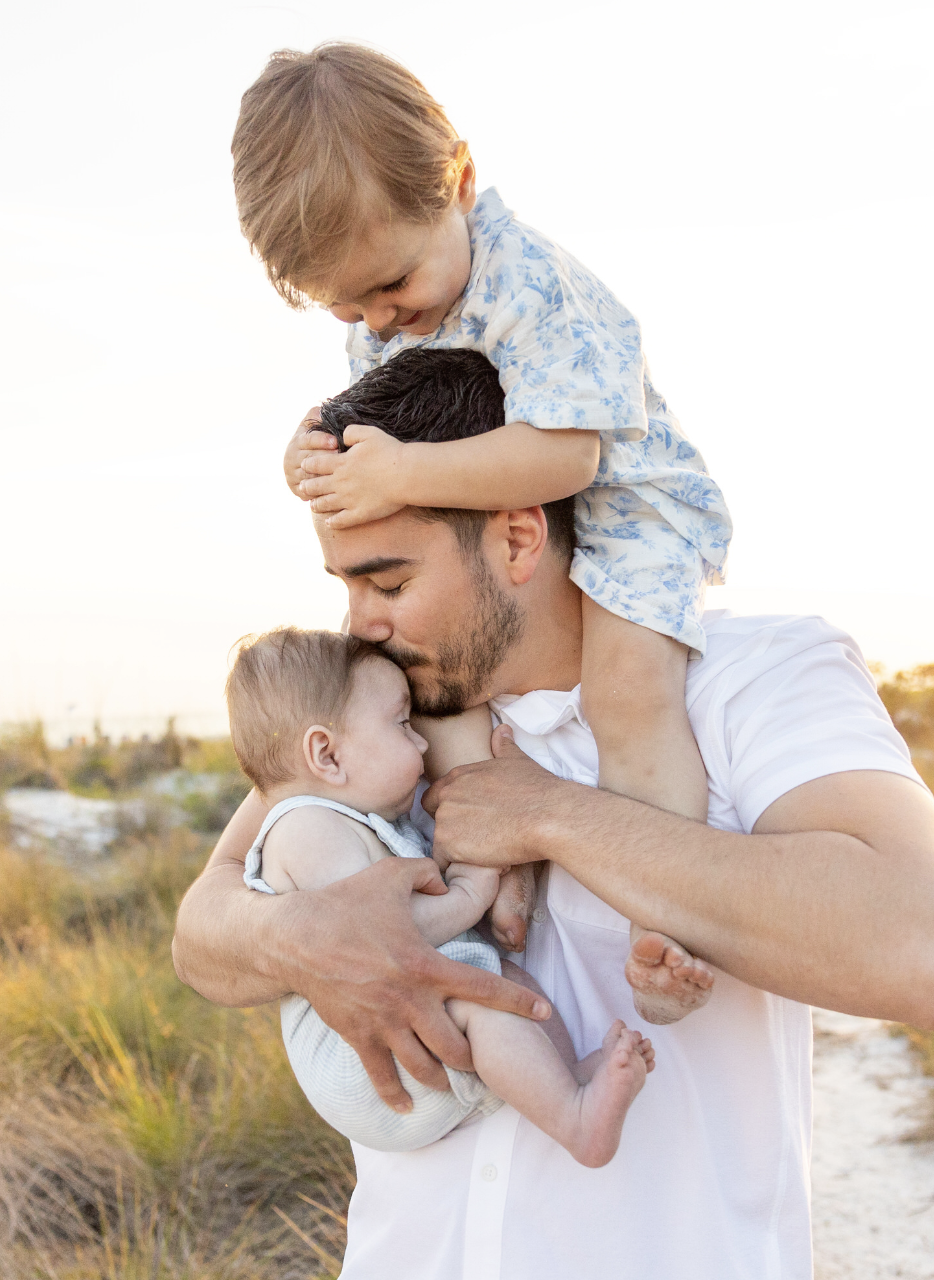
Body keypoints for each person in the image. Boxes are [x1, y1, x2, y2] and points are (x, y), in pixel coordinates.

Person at [172, 349, 934, 1279]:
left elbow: (923, 955)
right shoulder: (382, 719)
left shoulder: (759, 676)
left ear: (518, 538)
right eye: (344, 586)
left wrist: (554, 818)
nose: (360, 627)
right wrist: (303, 938)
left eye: (388, 584)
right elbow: (204, 931)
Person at [232, 43, 730, 1023]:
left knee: (629, 690)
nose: (382, 317)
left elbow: (566, 458)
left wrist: (406, 471)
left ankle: (664, 916)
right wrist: (309, 453)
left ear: (458, 182)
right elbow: (386, 405)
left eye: (392, 285)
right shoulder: (396, 295)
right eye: (350, 305)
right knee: (436, 690)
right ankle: (491, 867)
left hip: (628, 506)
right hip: (506, 540)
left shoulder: (534, 283)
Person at [223, 625, 656, 1167]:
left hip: (390, 1023)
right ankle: (575, 1120)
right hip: (358, 1057)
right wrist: (469, 894)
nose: (423, 743)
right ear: (326, 755)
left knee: (508, 985)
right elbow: (384, 938)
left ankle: (561, 1079)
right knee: (481, 996)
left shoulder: (357, 815)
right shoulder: (308, 829)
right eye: (402, 725)